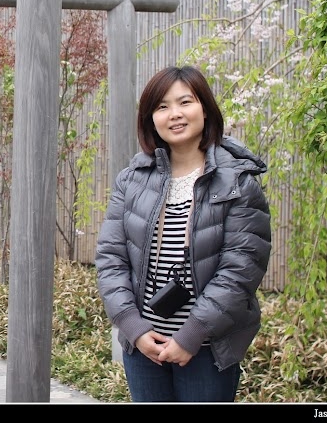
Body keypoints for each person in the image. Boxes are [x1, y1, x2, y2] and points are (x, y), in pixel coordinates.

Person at [95, 65, 272, 402]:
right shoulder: (133, 179)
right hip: (144, 347)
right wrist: (133, 327)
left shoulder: (237, 182)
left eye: (185, 102)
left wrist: (191, 335)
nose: (174, 114)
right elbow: (110, 259)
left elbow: (241, 270)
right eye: (162, 107)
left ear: (204, 108)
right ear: (151, 119)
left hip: (206, 348)